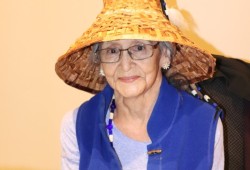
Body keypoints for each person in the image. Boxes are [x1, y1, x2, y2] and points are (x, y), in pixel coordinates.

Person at [55, 0, 224, 169]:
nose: (126, 65)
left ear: (164, 54)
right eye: (112, 51)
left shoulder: (204, 125)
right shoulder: (78, 126)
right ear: (100, 62)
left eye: (139, 48)